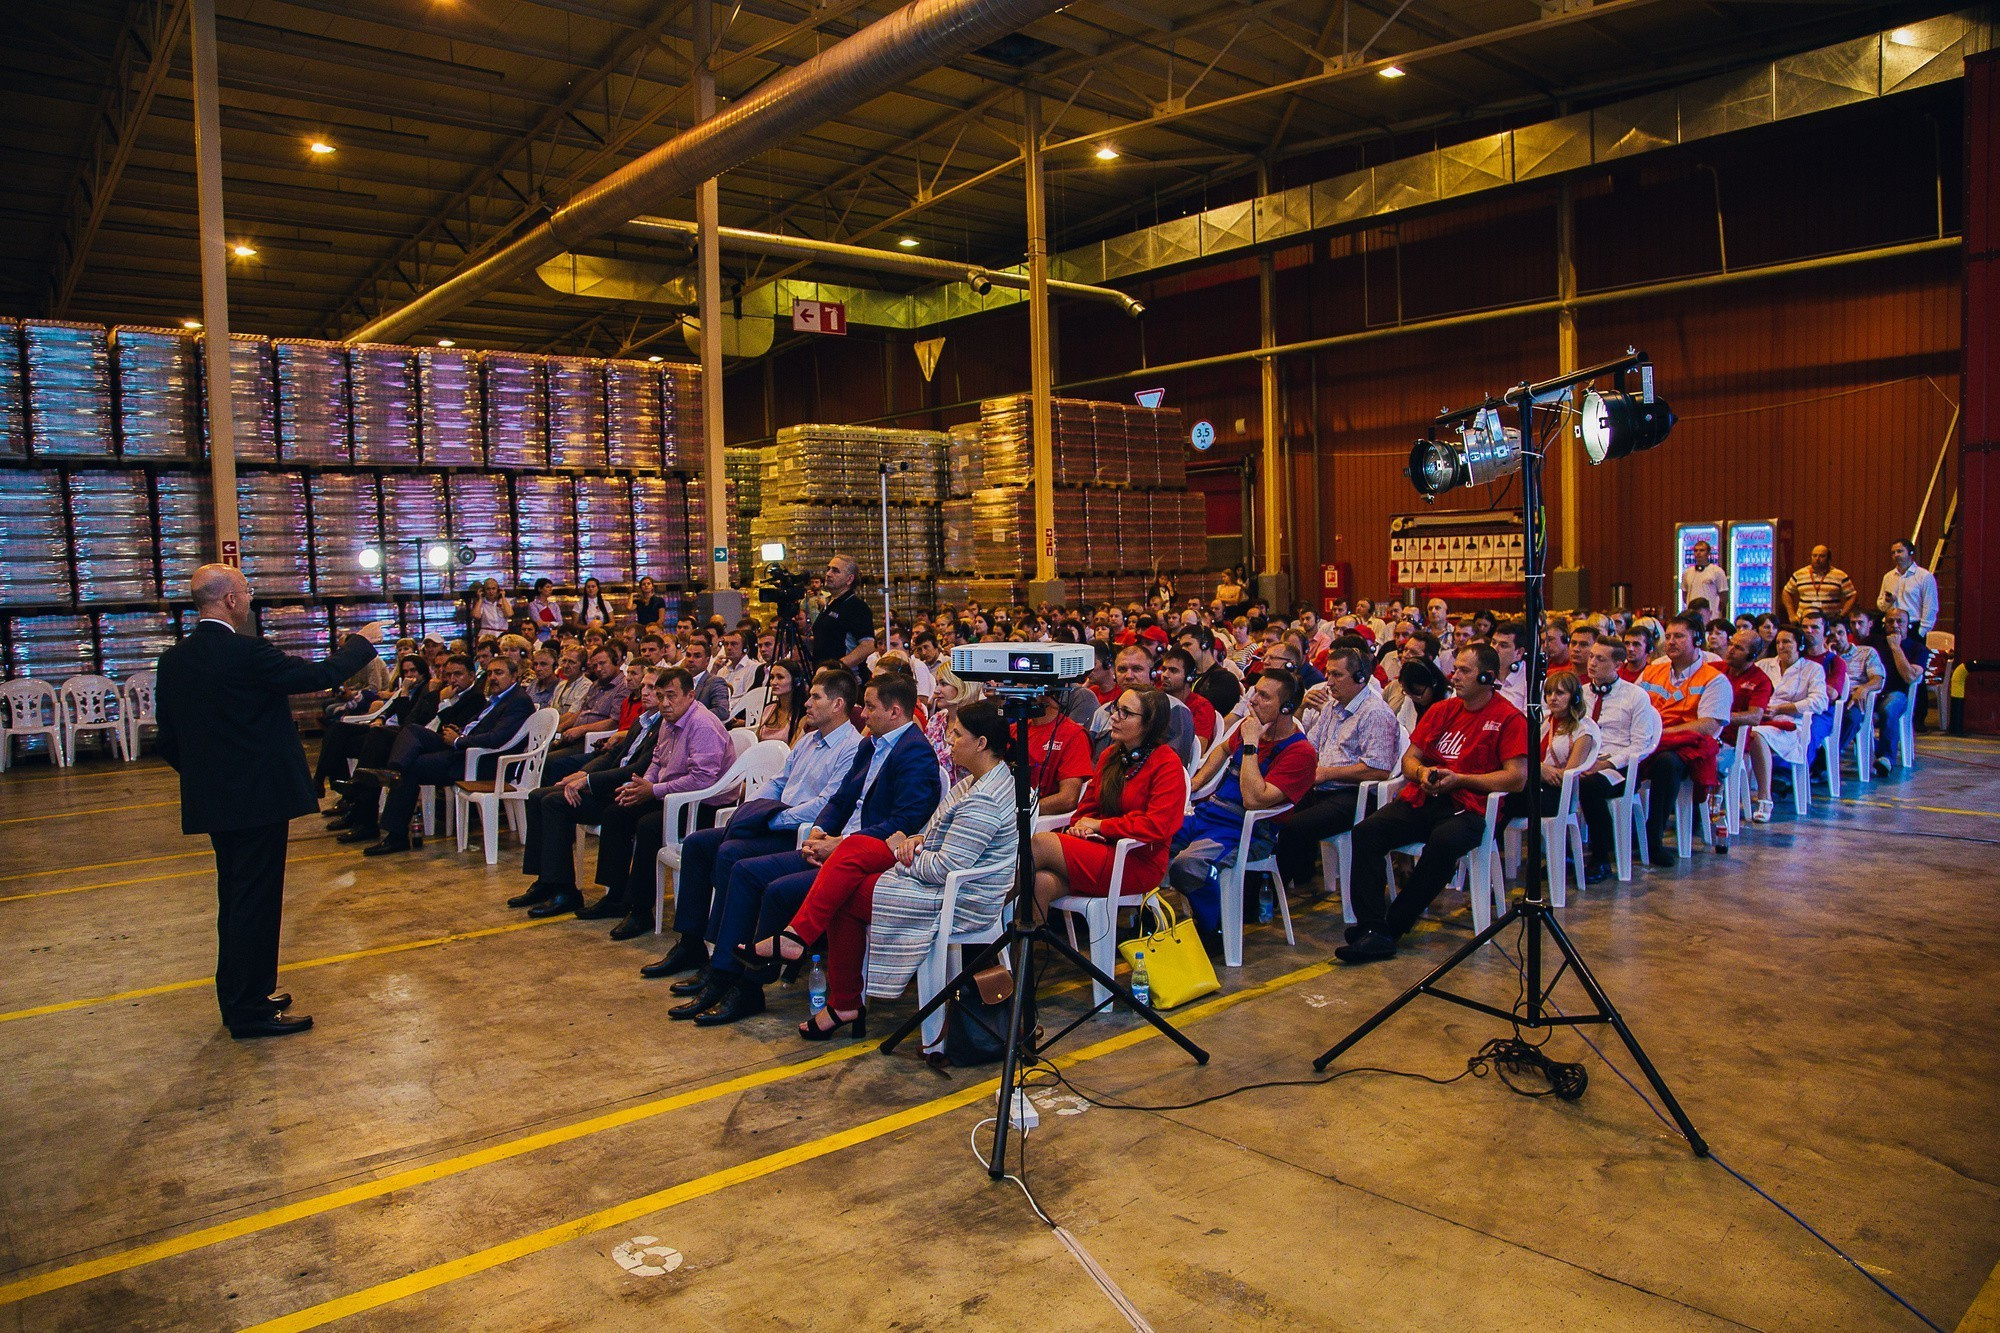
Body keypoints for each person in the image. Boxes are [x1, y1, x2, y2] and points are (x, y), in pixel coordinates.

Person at [155, 565, 384, 1039]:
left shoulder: (174, 660)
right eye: (247, 592)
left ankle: (243, 994)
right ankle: (249, 1011)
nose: (251, 600)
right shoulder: (245, 653)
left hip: (218, 801)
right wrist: (361, 642)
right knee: (255, 903)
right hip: (258, 798)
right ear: (231, 601)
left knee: (235, 899)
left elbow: (168, 740)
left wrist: (211, 779)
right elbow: (318, 675)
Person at [742, 698, 1018, 1041]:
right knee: (855, 848)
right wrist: (915, 840)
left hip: (958, 896)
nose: (948, 741)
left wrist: (909, 852)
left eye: (957, 735)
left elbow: (948, 865)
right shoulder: (976, 781)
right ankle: (803, 946)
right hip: (931, 869)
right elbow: (936, 835)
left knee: (845, 891)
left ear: (981, 743)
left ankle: (834, 988)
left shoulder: (985, 798)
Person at [674, 672, 940, 1025]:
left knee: (773, 887)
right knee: (743, 869)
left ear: (894, 712)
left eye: (871, 707)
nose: (864, 713)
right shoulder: (870, 745)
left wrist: (839, 845)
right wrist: (818, 833)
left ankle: (749, 986)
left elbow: (903, 821)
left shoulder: (916, 755)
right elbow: (842, 799)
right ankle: (722, 970)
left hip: (867, 859)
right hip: (836, 846)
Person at [641, 668, 863, 982]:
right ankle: (690, 942)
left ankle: (724, 960)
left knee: (732, 852)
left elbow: (826, 804)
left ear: (838, 704)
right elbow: (778, 782)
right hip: (775, 819)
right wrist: (752, 810)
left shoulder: (850, 748)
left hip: (799, 831)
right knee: (698, 844)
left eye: (816, 697)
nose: (808, 703)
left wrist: (773, 819)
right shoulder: (810, 740)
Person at [1337, 644, 1528, 963]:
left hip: (1472, 807)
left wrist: (1461, 779)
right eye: (1456, 668)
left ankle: (1393, 926)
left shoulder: (1509, 718)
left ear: (1487, 677)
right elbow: (1410, 759)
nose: (1455, 676)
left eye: (1465, 670)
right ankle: (1371, 928)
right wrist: (1422, 772)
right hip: (1427, 795)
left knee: (1444, 842)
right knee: (1367, 832)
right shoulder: (1442, 710)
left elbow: (1516, 778)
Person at [1166, 668, 1317, 953]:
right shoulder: (1252, 726)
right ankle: (1154, 921)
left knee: (1188, 866)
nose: (1253, 701)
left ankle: (1214, 928)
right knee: (1151, 839)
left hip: (1248, 831)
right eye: (1254, 692)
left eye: (1264, 696)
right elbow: (1222, 750)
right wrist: (1197, 782)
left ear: (1286, 708)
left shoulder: (1300, 753)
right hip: (1209, 815)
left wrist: (1251, 744)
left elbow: (1254, 799)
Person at [508, 667, 670, 916]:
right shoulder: (642, 720)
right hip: (605, 784)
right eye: (644, 687)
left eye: (652, 688)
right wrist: (583, 774)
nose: (645, 692)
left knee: (555, 803)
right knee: (537, 796)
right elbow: (613, 755)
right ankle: (545, 880)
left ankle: (565, 890)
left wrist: (589, 782)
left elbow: (637, 769)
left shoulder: (664, 725)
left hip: (619, 791)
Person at [351, 655, 536, 857]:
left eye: (498, 673)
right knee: (412, 730)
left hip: (482, 762)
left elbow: (497, 738)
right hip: (466, 748)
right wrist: (461, 731)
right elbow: (479, 727)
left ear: (514, 675)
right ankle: (394, 770)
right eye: (490, 673)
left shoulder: (518, 701)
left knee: (413, 767)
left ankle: (396, 834)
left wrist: (459, 740)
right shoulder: (497, 698)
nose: (492, 677)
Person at [1029, 687, 1185, 922]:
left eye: (1125, 713)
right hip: (1100, 848)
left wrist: (1101, 827)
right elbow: (1085, 811)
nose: (1113, 717)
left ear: (1149, 723)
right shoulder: (1110, 756)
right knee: (1041, 883)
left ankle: (977, 910)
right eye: (1116, 708)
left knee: (1041, 842)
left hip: (1138, 860)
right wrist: (1082, 829)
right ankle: (1020, 957)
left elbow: (1157, 825)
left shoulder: (1167, 763)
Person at [1273, 645, 1401, 891]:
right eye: (1327, 674)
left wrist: (1325, 773)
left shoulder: (1375, 713)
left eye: (1337, 675)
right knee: (1273, 813)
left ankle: (1275, 891)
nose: (1328, 682)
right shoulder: (1333, 706)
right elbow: (1311, 746)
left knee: (1292, 828)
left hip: (1354, 795)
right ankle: (1294, 877)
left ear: (1360, 678)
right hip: (1321, 787)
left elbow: (1378, 770)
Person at [1635, 614, 1732, 865]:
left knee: (1667, 763)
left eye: (1679, 636)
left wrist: (1661, 735)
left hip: (1685, 747)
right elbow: (1632, 705)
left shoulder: (1714, 679)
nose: (1671, 642)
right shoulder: (1652, 671)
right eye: (1668, 636)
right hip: (1647, 740)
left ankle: (1653, 838)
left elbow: (1708, 725)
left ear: (1697, 640)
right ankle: (1618, 834)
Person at [1575, 640, 1661, 885]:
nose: (1591, 663)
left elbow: (1640, 745)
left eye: (1600, 659)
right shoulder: (1580, 693)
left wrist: (1605, 764)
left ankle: (1601, 858)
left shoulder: (1636, 696)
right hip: (1581, 761)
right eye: (1591, 656)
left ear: (1618, 664)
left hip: (1619, 769)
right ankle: (1563, 853)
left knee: (1590, 786)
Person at [1501, 667, 1599, 849]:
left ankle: (1485, 850)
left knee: (1504, 800)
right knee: (1500, 794)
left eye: (1560, 693)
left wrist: (1536, 770)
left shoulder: (1583, 731)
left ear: (1575, 697)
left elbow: (1567, 777)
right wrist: (1539, 769)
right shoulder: (1541, 721)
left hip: (1558, 795)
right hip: (1534, 784)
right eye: (1549, 693)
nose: (1553, 698)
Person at [313, 653, 427, 796]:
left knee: (340, 744)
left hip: (395, 735)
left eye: (413, 670)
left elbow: (407, 720)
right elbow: (388, 710)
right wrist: (380, 719)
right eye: (405, 672)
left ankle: (347, 794)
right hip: (381, 727)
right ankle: (321, 779)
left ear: (422, 672)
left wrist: (403, 692)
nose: (409, 675)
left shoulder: (423, 691)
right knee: (337, 729)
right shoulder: (404, 689)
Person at [1747, 626, 1828, 822]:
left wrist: (1782, 709)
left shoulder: (1812, 669)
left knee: (1757, 735)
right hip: (1760, 717)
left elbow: (1820, 702)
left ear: (1799, 645)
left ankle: (1765, 798)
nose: (1782, 646)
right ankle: (1718, 797)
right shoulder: (1764, 665)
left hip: (1791, 723)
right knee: (1737, 733)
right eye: (1779, 643)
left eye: (1787, 642)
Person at [1090, 644, 1196, 765]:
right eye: (1122, 669)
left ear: (1153, 674)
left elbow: (1173, 763)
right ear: (1114, 674)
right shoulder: (1102, 712)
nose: (1128, 676)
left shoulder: (1175, 709)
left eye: (1137, 669)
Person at [810, 553, 877, 674]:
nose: (828, 574)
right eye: (828, 569)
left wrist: (838, 667)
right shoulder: (829, 604)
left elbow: (868, 645)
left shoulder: (856, 606)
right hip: (823, 677)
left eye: (835, 571)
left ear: (849, 579)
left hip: (845, 679)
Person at [1156, 647, 1219, 745]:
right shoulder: (1157, 699)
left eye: (1173, 671)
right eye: (1164, 669)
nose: (1165, 675)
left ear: (1189, 677)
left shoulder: (1201, 707)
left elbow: (1198, 749)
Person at [1877, 538, 1939, 636]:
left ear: (1911, 552)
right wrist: (1887, 601)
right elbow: (1881, 606)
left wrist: (1922, 632)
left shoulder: (1924, 576)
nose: (1896, 555)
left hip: (1913, 626)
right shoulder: (1888, 577)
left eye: (1900, 551)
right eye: (1893, 553)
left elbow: (1930, 607)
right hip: (1891, 625)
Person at [1782, 544, 1858, 622]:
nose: (1817, 559)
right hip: (1804, 622)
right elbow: (1786, 592)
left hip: (1830, 621)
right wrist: (1791, 615)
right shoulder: (1799, 574)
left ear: (1829, 559)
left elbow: (1852, 595)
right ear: (1810, 557)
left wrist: (1842, 615)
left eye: (1822, 556)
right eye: (1814, 556)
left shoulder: (1840, 575)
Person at [680, 633, 733, 719]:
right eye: (688, 655)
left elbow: (722, 711)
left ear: (707, 661)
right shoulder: (680, 681)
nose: (690, 660)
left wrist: (690, 715)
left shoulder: (715, 682)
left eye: (697, 656)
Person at [756, 659, 808, 744]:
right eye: (772, 677)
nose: (773, 682)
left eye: (780, 677)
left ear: (796, 681)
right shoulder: (768, 708)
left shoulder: (803, 713)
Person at [1680, 540, 1728, 619]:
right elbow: (1684, 595)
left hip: (1711, 616)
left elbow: (1724, 597)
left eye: (1702, 550)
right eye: (1696, 550)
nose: (1698, 553)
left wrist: (1715, 610)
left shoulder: (1717, 571)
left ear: (1708, 553)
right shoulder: (1687, 572)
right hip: (1692, 616)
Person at [1491, 621, 1530, 713]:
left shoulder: (1532, 680)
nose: (1495, 649)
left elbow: (1530, 722)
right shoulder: (1480, 671)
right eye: (1493, 643)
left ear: (1519, 652)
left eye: (1503, 645)